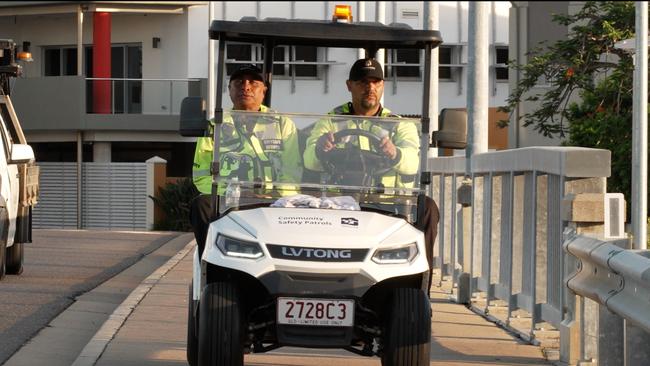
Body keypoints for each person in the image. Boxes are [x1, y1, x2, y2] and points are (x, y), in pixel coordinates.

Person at [303, 58, 440, 292]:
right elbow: (309, 160)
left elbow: (411, 163)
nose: (370, 88)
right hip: (338, 202)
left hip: (386, 203)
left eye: (376, 82)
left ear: (383, 85)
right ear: (349, 85)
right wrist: (320, 148)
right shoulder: (330, 121)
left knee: (427, 207)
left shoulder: (399, 126)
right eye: (363, 82)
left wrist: (395, 153)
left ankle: (418, 288)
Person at [190, 64, 301, 256]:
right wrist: (233, 194)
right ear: (229, 90)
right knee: (201, 205)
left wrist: (277, 196)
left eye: (253, 82)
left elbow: (292, 171)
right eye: (239, 82)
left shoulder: (283, 124)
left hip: (272, 199)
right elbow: (201, 176)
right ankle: (210, 265)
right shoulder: (215, 125)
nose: (246, 87)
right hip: (229, 199)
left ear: (264, 90)